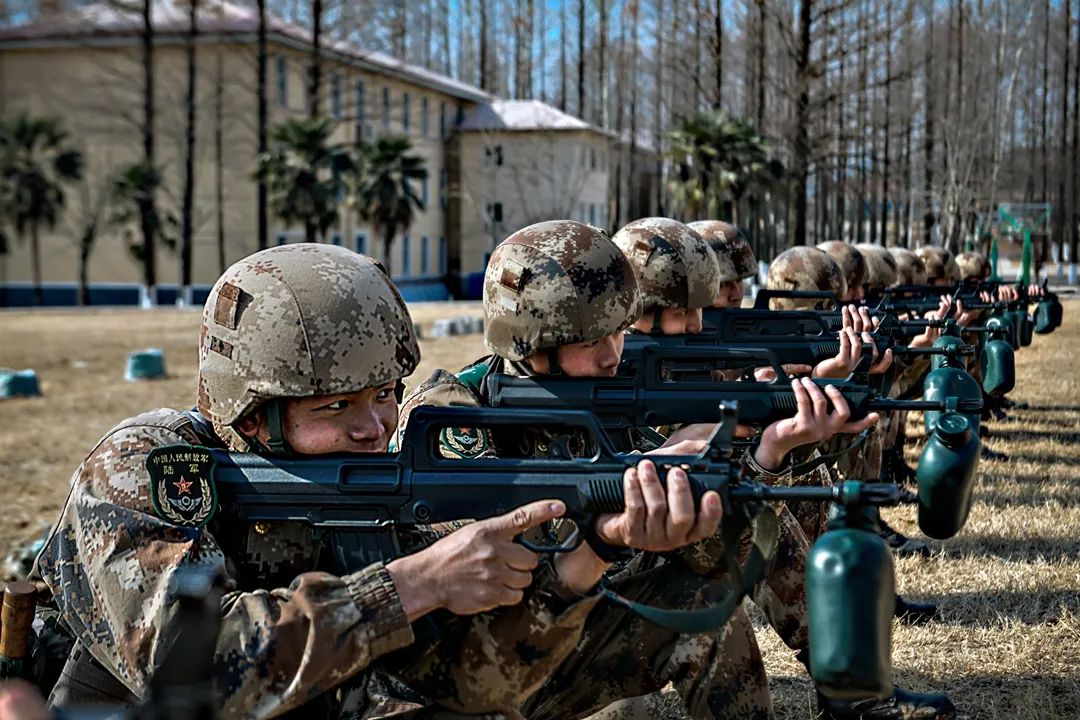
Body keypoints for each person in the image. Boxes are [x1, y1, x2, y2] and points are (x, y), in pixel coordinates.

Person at [26, 244, 688, 719]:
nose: (376, 427)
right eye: (335, 406)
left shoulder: (372, 479)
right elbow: (190, 669)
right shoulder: (148, 466)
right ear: (253, 413)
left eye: (384, 395)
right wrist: (413, 584)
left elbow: (472, 685)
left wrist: (590, 552)